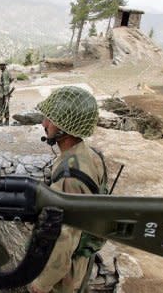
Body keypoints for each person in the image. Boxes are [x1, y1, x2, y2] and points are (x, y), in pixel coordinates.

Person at [28, 86, 107, 293]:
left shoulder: (70, 176)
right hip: (82, 256)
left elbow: (64, 240)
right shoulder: (90, 155)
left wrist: (41, 284)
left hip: (66, 273)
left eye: (50, 120)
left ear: (66, 128)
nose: (44, 124)